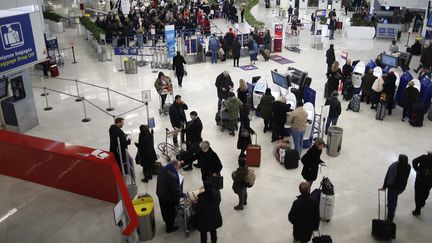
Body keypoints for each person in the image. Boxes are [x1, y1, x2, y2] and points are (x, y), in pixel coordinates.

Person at [380, 154, 411, 222]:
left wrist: (384, 186)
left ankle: (390, 218)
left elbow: (388, 176)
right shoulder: (408, 166)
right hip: (401, 188)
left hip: (393, 187)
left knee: (391, 203)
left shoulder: (394, 166)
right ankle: (391, 207)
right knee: (394, 198)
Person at [156, 160, 184, 233]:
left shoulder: (163, 169)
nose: (178, 169)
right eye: (177, 167)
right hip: (167, 197)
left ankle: (167, 222)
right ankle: (169, 228)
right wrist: (182, 194)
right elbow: (175, 190)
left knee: (164, 210)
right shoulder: (172, 176)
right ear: (174, 166)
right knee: (170, 212)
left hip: (160, 193)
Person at [412, 151, 432, 216]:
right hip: (429, 180)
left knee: (417, 193)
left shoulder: (424, 157)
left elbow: (414, 161)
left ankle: (417, 209)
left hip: (420, 178)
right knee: (426, 192)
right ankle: (422, 202)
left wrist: (417, 170)